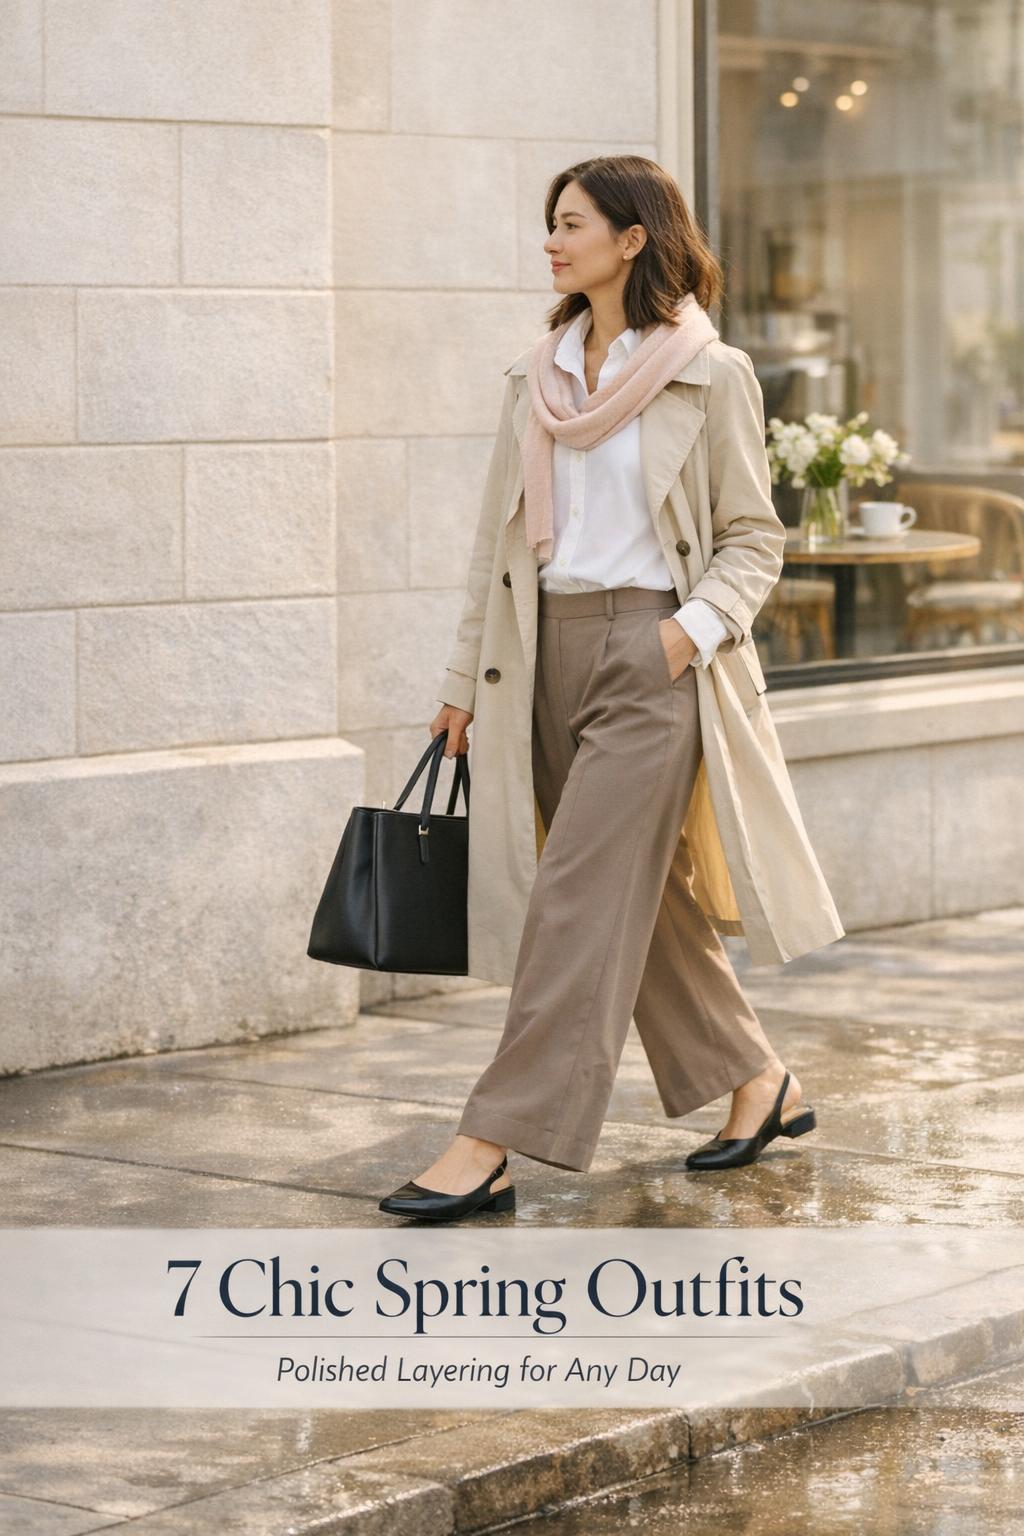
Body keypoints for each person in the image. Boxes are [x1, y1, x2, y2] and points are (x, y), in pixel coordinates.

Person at [379, 155, 824, 1223]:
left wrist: (682, 637)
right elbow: (499, 547)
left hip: (649, 656)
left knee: (575, 898)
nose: (551, 240)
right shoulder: (535, 376)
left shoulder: (708, 373)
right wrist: (461, 686)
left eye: (570, 222)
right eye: (550, 224)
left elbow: (753, 540)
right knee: (644, 899)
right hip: (539, 656)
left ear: (631, 238)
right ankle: (759, 1081)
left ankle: (492, 1138)